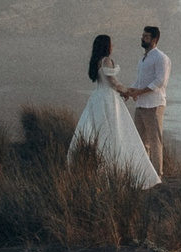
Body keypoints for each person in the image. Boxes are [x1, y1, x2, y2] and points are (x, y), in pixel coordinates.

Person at [70, 32, 160, 188]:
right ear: (107, 45)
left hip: (98, 97)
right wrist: (128, 91)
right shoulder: (106, 60)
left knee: (100, 130)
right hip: (108, 99)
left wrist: (125, 91)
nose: (113, 46)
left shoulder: (96, 61)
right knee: (115, 130)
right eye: (111, 43)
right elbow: (113, 82)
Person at [120, 24, 170, 177]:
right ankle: (145, 173)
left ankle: (157, 174)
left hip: (154, 104)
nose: (142, 39)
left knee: (155, 141)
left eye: (146, 37)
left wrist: (140, 92)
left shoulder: (161, 58)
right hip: (141, 104)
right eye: (142, 36)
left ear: (154, 39)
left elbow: (160, 81)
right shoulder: (143, 59)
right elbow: (140, 81)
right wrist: (129, 91)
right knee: (141, 141)